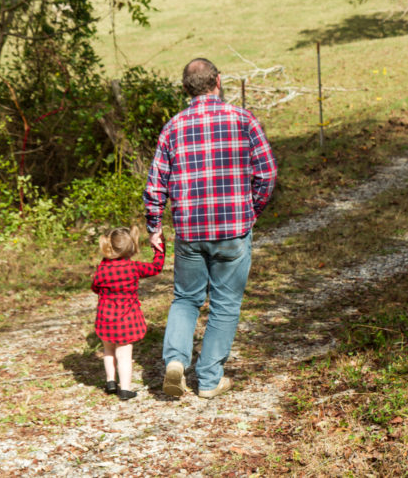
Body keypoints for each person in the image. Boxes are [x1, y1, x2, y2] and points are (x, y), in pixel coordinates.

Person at [144, 58, 277, 399]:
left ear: (186, 89)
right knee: (226, 303)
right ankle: (208, 379)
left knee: (186, 299)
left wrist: (154, 226)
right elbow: (267, 173)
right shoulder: (243, 120)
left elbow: (156, 183)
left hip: (190, 231)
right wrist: (252, 209)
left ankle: (175, 363)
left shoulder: (173, 127)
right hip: (233, 228)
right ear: (218, 81)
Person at [91, 225, 165, 400]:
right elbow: (156, 267)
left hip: (105, 319)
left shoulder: (102, 268)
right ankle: (124, 389)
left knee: (108, 350)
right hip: (126, 321)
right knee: (124, 355)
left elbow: (95, 287)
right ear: (131, 247)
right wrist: (159, 250)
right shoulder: (134, 267)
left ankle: (110, 381)